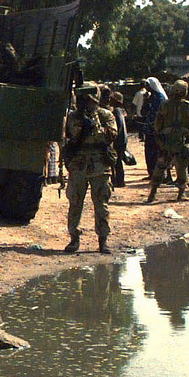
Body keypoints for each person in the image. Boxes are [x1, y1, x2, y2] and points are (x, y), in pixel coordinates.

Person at [63, 87, 117, 254]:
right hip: (78, 164)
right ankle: (74, 237)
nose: (84, 104)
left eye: (87, 100)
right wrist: (83, 127)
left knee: (101, 204)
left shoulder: (105, 115)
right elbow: (71, 135)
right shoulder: (73, 117)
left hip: (100, 165)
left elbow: (112, 136)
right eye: (82, 100)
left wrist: (96, 127)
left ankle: (103, 240)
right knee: (75, 202)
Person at [147, 80, 189, 203]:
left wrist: (159, 138)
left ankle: (152, 194)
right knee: (182, 167)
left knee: (160, 167)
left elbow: (158, 123)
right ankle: (181, 194)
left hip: (166, 141)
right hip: (182, 141)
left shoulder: (165, 105)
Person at [141, 77, 167, 178]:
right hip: (149, 130)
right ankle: (151, 172)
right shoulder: (150, 97)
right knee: (149, 152)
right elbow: (143, 113)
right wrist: (145, 101)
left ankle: (159, 174)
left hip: (158, 129)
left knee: (157, 152)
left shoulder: (160, 98)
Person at [108, 91, 129, 187]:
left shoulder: (116, 111)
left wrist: (114, 137)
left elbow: (118, 126)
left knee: (116, 161)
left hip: (119, 140)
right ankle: (118, 180)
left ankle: (119, 181)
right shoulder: (121, 110)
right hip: (122, 139)